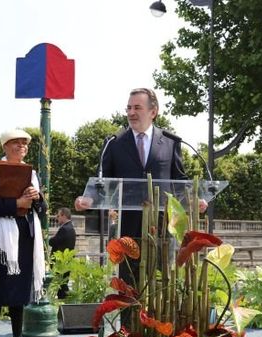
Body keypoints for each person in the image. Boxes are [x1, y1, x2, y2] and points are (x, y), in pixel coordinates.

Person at [79, 87, 187, 287]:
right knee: (129, 286)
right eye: (128, 108)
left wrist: (192, 200)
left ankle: (159, 319)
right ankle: (128, 319)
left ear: (153, 112)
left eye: (137, 107)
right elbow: (101, 179)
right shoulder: (113, 142)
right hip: (127, 228)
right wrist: (89, 198)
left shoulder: (171, 142)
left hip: (161, 228)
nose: (130, 113)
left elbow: (179, 180)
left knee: (161, 285)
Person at [0, 129, 46, 337]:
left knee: (19, 292)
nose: (21, 147)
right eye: (16, 143)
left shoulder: (32, 174)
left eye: (24, 144)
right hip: (1, 238)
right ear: (5, 146)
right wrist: (15, 203)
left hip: (26, 235)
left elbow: (42, 209)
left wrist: (36, 197)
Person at [49, 207, 77, 299]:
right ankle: (65, 302)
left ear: (64, 216)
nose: (57, 218)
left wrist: (50, 239)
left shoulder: (64, 229)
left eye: (58, 216)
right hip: (67, 261)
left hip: (60, 262)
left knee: (62, 284)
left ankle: (68, 301)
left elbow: (53, 242)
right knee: (63, 284)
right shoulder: (71, 227)